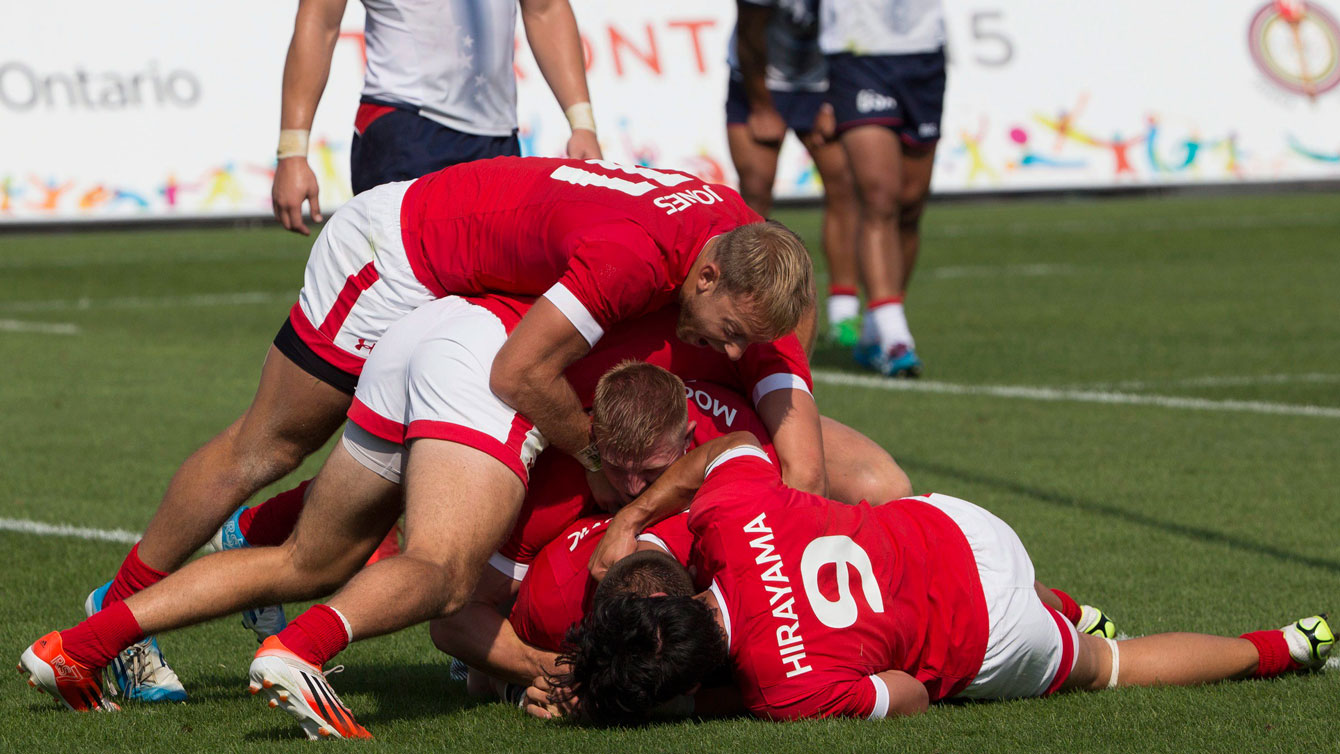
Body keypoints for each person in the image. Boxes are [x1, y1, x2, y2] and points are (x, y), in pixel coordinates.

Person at [71, 157, 814, 703]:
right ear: (708, 277)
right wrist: (596, 458)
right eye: (728, 332)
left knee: (375, 514)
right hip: (395, 264)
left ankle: (250, 545)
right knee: (269, 446)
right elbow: (519, 374)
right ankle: (116, 611)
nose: (730, 354)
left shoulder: (729, 229)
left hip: (456, 292)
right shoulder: (636, 259)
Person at [17, 287, 823, 738]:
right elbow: (455, 621)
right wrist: (540, 666)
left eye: (659, 470)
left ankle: (80, 643)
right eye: (624, 469)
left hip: (433, 328)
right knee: (439, 571)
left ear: (688, 437)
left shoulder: (700, 436)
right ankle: (296, 650)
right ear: (596, 444)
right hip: (474, 361)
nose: (642, 483)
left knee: (312, 559)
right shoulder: (566, 485)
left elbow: (776, 460)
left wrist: (630, 509)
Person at [538, 436, 1335, 723]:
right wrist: (634, 516)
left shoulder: (784, 692)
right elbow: (732, 447)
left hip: (993, 635)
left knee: (1111, 668)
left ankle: (1290, 645)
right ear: (664, 593)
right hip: (958, 525)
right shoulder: (728, 519)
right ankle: (1063, 606)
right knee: (907, 558)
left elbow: (911, 693)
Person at [272, 0, 601, 235]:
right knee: (404, 301)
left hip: (497, 139)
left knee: (498, 303)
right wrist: (292, 151)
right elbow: (320, 21)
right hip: (404, 128)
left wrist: (582, 123)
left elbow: (546, 9)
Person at [820, 0, 947, 376]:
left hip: (924, 52)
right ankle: (896, 338)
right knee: (879, 196)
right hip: (857, 53)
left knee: (910, 205)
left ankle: (874, 330)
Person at [730, 0, 860, 347]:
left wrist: (834, 101)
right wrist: (762, 106)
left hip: (821, 83)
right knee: (755, 190)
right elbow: (749, 32)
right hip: (757, 79)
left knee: (845, 185)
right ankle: (747, 304)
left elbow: (854, 31)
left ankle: (844, 314)